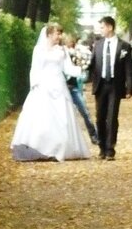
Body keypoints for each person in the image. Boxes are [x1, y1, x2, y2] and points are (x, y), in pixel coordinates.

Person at [11, 24, 91, 162]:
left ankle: (58, 148)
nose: (59, 36)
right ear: (49, 34)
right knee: (42, 117)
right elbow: (35, 68)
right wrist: (34, 85)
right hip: (43, 86)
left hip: (59, 85)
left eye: (60, 33)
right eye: (57, 33)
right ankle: (40, 147)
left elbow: (67, 68)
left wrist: (81, 69)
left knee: (61, 118)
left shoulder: (62, 50)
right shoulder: (38, 50)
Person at [88, 16, 132, 160]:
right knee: (100, 117)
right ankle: (102, 146)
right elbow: (92, 64)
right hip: (101, 85)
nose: (101, 30)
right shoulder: (98, 45)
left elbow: (128, 68)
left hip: (115, 85)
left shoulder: (124, 46)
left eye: (102, 27)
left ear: (110, 27)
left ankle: (110, 149)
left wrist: (129, 88)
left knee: (112, 117)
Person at [63, 32, 98, 145]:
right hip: (63, 87)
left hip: (73, 86)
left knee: (84, 111)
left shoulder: (77, 52)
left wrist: (80, 66)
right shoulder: (61, 53)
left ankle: (94, 135)